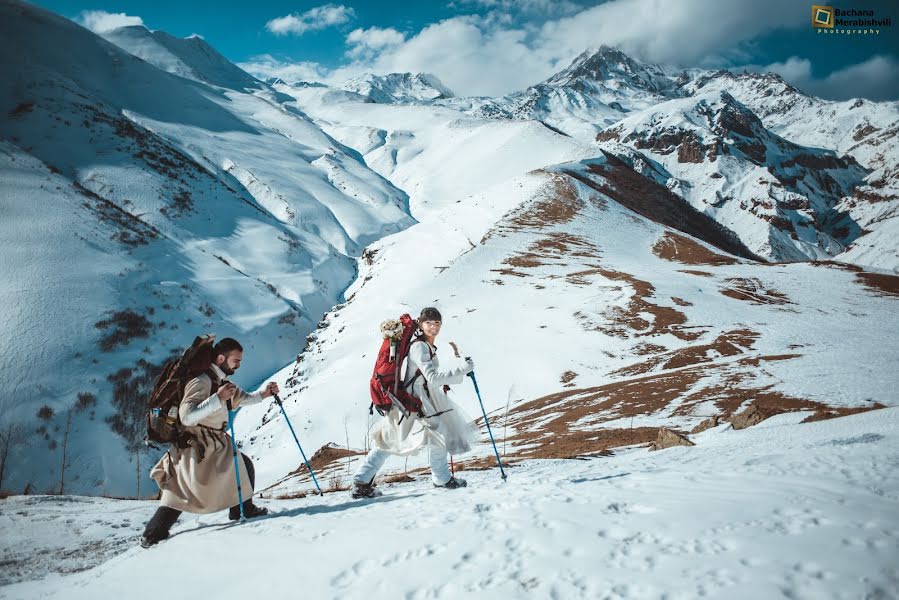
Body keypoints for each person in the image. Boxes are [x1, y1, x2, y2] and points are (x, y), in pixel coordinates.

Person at [140, 337, 279, 547]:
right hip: (198, 444)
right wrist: (217, 399)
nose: (239, 365)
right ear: (221, 358)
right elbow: (187, 416)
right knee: (180, 490)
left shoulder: (221, 382)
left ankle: (242, 509)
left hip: (213, 442)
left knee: (241, 466)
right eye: (236, 360)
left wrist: (264, 394)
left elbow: (242, 398)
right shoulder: (202, 382)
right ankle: (153, 533)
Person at [353, 307, 478, 498]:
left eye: (437, 323)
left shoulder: (425, 346)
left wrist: (459, 373)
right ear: (420, 324)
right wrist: (462, 370)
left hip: (419, 400)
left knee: (436, 435)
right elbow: (432, 377)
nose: (433, 327)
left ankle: (441, 478)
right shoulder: (419, 347)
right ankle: (361, 482)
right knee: (389, 440)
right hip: (413, 403)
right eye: (428, 323)